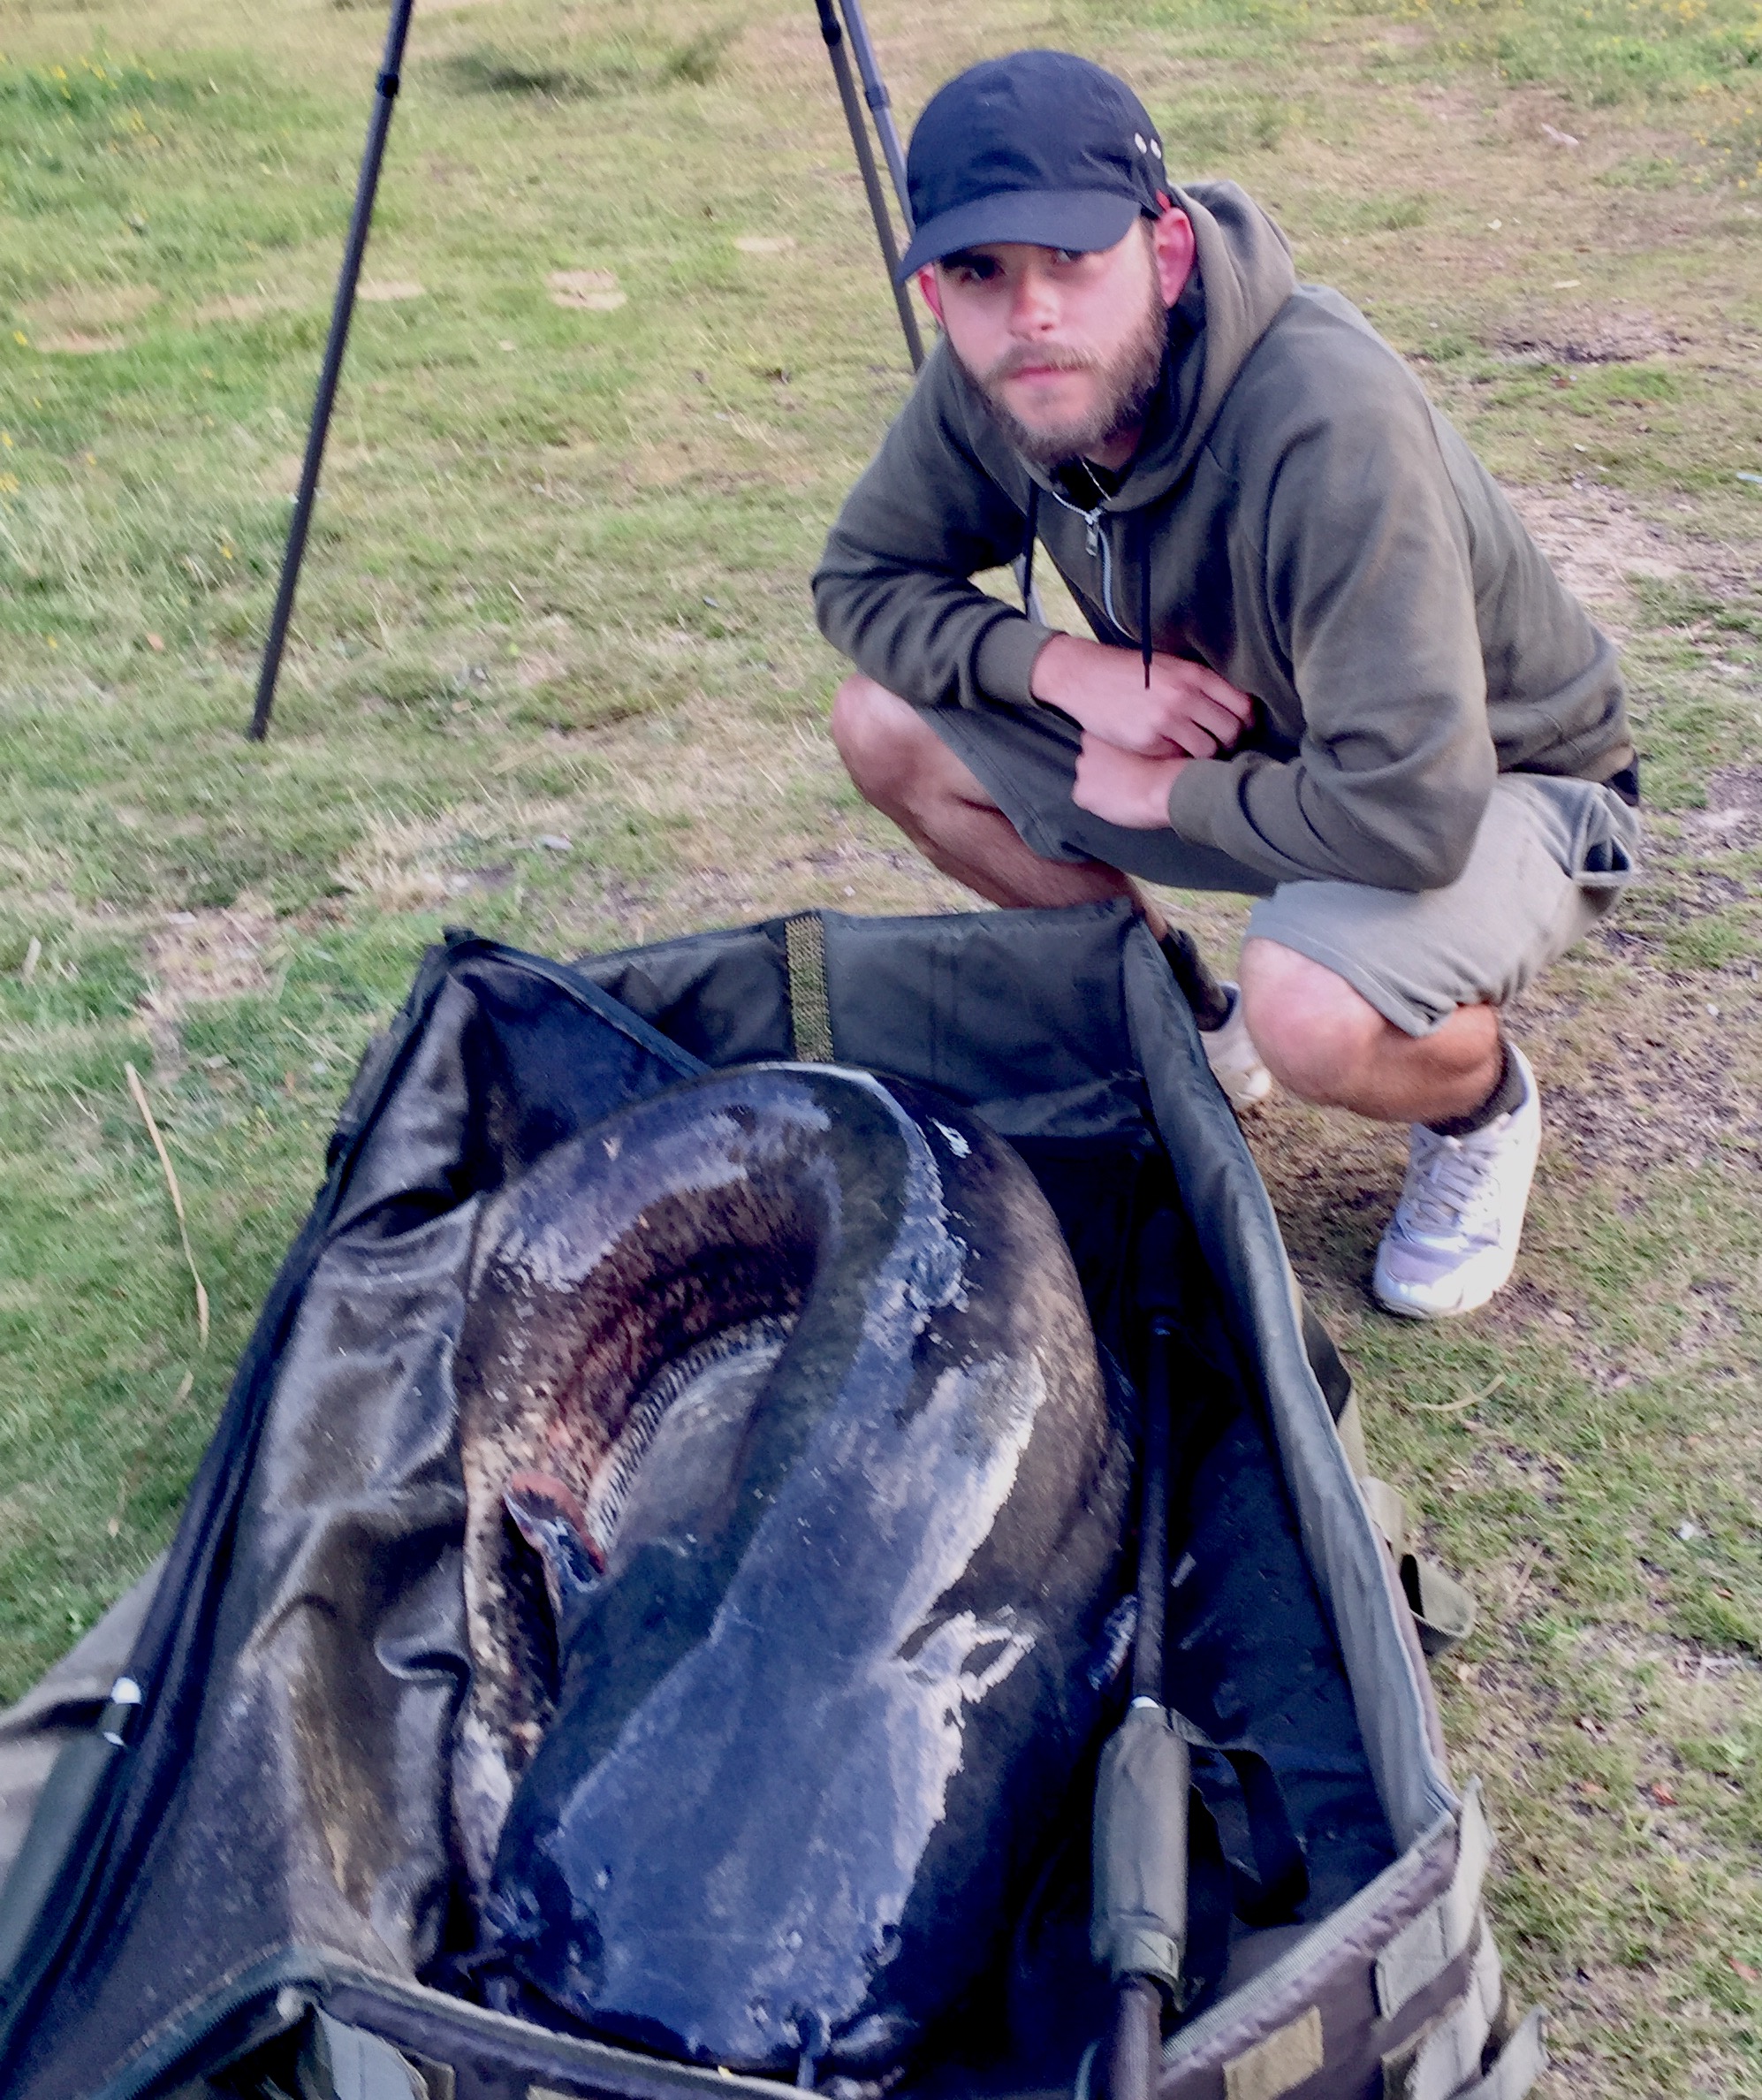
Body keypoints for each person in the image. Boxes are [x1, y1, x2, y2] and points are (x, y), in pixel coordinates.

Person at [813, 48, 1640, 1320]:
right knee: (882, 726)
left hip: (1497, 778)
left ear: (1167, 256)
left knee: (1310, 1009)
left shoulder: (1324, 420)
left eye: (1071, 262)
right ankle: (1193, 1023)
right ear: (935, 292)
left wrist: (1170, 795)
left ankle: (1479, 1109)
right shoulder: (999, 384)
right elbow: (859, 582)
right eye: (982, 274)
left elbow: (1412, 811)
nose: (1030, 314)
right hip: (1248, 748)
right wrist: (1062, 666)